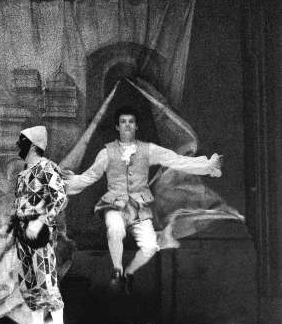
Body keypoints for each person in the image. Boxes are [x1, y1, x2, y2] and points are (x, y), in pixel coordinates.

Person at [63, 106, 222, 293]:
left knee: (150, 247)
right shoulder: (107, 152)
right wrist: (66, 184)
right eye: (123, 122)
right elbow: (90, 176)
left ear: (136, 126)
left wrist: (206, 166)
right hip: (114, 203)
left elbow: (176, 160)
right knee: (115, 229)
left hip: (139, 206)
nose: (127, 125)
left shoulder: (149, 150)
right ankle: (117, 270)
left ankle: (128, 273)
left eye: (131, 122)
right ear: (117, 126)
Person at [9, 125, 68, 324]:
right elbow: (20, 203)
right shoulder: (24, 173)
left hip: (40, 233)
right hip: (23, 232)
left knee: (46, 279)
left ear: (33, 145)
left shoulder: (46, 168)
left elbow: (60, 197)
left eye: (22, 140)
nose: (18, 145)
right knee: (28, 280)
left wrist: (41, 220)